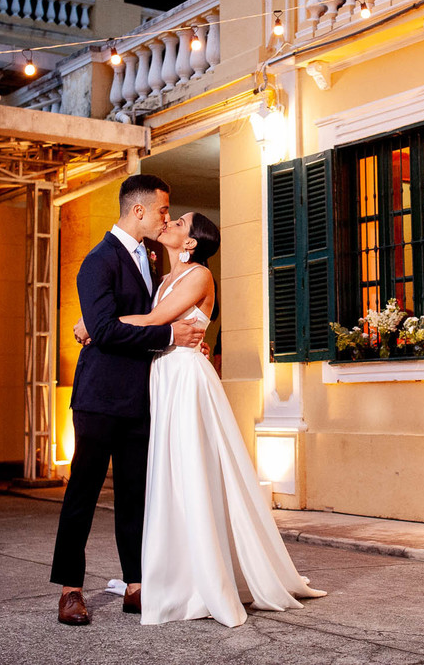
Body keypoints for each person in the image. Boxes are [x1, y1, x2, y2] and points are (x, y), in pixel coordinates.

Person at [119, 211, 326, 628]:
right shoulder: (163, 280)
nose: (171, 224)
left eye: (179, 223)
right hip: (164, 376)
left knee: (193, 469)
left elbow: (155, 323)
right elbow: (152, 327)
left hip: (187, 378)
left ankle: (204, 577)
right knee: (170, 474)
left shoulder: (199, 277)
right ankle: (179, 570)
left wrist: (96, 324)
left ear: (191, 243)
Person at [50, 175, 206, 626]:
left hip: (141, 397)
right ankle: (70, 589)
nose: (166, 218)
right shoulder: (97, 261)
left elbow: (158, 310)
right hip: (99, 396)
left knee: (136, 494)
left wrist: (185, 342)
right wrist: (168, 335)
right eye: (162, 210)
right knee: (83, 490)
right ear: (138, 211)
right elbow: (106, 329)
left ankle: (136, 585)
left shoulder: (154, 258)